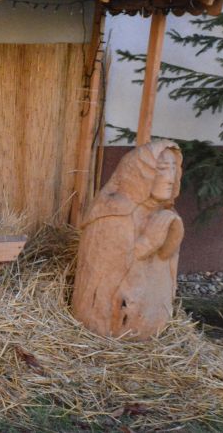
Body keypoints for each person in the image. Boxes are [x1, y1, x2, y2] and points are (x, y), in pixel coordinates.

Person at [71, 140, 184, 339]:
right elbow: (103, 272)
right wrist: (146, 244)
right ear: (140, 173)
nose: (170, 179)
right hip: (112, 326)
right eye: (161, 169)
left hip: (151, 326)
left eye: (173, 169)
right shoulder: (112, 213)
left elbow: (164, 263)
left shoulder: (166, 212)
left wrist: (173, 237)